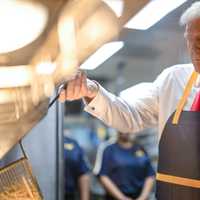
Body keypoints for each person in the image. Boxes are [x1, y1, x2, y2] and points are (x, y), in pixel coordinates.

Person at [60, 2, 200, 199]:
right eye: (190, 39)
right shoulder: (174, 80)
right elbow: (129, 116)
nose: (195, 49)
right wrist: (92, 91)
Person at [93, 131, 155, 200]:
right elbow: (103, 176)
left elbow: (150, 175)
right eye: (122, 128)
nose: (125, 131)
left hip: (139, 195)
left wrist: (143, 197)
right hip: (115, 197)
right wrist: (122, 198)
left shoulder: (140, 149)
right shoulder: (109, 150)